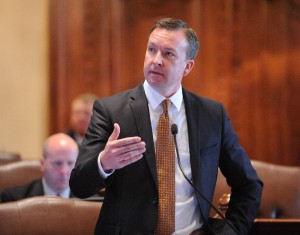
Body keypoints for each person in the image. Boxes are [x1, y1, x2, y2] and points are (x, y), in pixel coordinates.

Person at [69, 18, 263, 235]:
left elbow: (249, 185)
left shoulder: (212, 115)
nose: (156, 60)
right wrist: (103, 163)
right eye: (151, 50)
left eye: (168, 54)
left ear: (188, 66)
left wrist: (229, 232)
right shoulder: (110, 110)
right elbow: (79, 186)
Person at [1, 133, 78, 202]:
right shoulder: (12, 199)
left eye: (70, 163)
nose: (64, 171)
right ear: (42, 164)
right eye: (57, 163)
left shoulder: (88, 200)